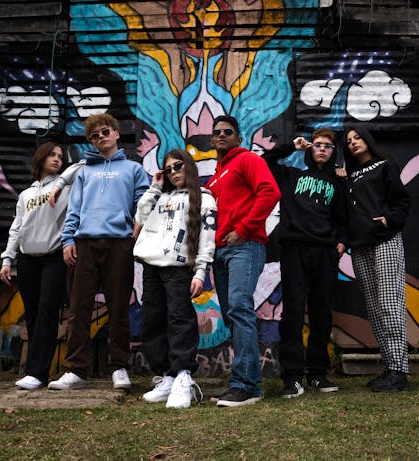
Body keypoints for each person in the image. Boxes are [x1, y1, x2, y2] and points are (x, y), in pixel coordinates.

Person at [48, 114, 149, 391]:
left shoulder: (133, 169)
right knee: (78, 308)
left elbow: (144, 202)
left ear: (116, 133)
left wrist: (136, 231)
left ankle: (119, 367)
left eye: (105, 132)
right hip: (85, 244)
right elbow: (74, 208)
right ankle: (76, 370)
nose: (100, 137)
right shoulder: (83, 171)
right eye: (94, 136)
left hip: (119, 243)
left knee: (119, 307)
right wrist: (68, 239)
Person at [262, 128, 348, 398]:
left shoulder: (337, 182)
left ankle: (318, 374)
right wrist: (291, 146)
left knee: (322, 313)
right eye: (318, 144)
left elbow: (344, 218)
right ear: (310, 148)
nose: (322, 149)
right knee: (293, 313)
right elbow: (265, 162)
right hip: (294, 250)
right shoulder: (291, 176)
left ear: (333, 152)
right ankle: (292, 377)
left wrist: (341, 244)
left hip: (325, 252)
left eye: (328, 146)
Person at [205, 115, 281, 407]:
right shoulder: (216, 175)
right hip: (220, 251)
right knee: (232, 315)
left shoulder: (248, 160)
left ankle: (246, 385)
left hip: (244, 246)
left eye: (228, 131)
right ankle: (243, 382)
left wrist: (244, 229)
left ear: (238, 138)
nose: (221, 135)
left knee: (239, 307)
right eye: (217, 132)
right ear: (212, 140)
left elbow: (270, 192)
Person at [133, 149, 217, 408]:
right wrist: (155, 187)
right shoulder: (160, 195)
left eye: (177, 166)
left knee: (179, 319)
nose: (173, 172)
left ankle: (183, 376)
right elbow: (140, 219)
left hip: (179, 268)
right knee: (152, 320)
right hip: (152, 266)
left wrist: (201, 272)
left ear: (188, 166)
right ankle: (167, 375)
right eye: (168, 169)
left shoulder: (203, 198)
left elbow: (207, 237)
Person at [343, 126, 411, 392]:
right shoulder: (349, 175)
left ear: (367, 139)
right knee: (373, 306)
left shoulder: (385, 165)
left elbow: (403, 201)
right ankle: (389, 367)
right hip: (359, 246)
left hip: (385, 240)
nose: (353, 143)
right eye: (348, 141)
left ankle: (399, 372)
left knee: (389, 302)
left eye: (357, 137)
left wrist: (389, 220)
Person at [0, 141, 69, 390]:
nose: (57, 159)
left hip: (54, 257)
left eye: (60, 156)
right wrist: (8, 259)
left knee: (47, 312)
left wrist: (61, 182)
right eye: (51, 155)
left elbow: (81, 166)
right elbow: (16, 228)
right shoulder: (25, 195)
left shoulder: (66, 189)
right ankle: (33, 371)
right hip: (27, 259)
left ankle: (39, 373)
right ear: (39, 158)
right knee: (32, 314)